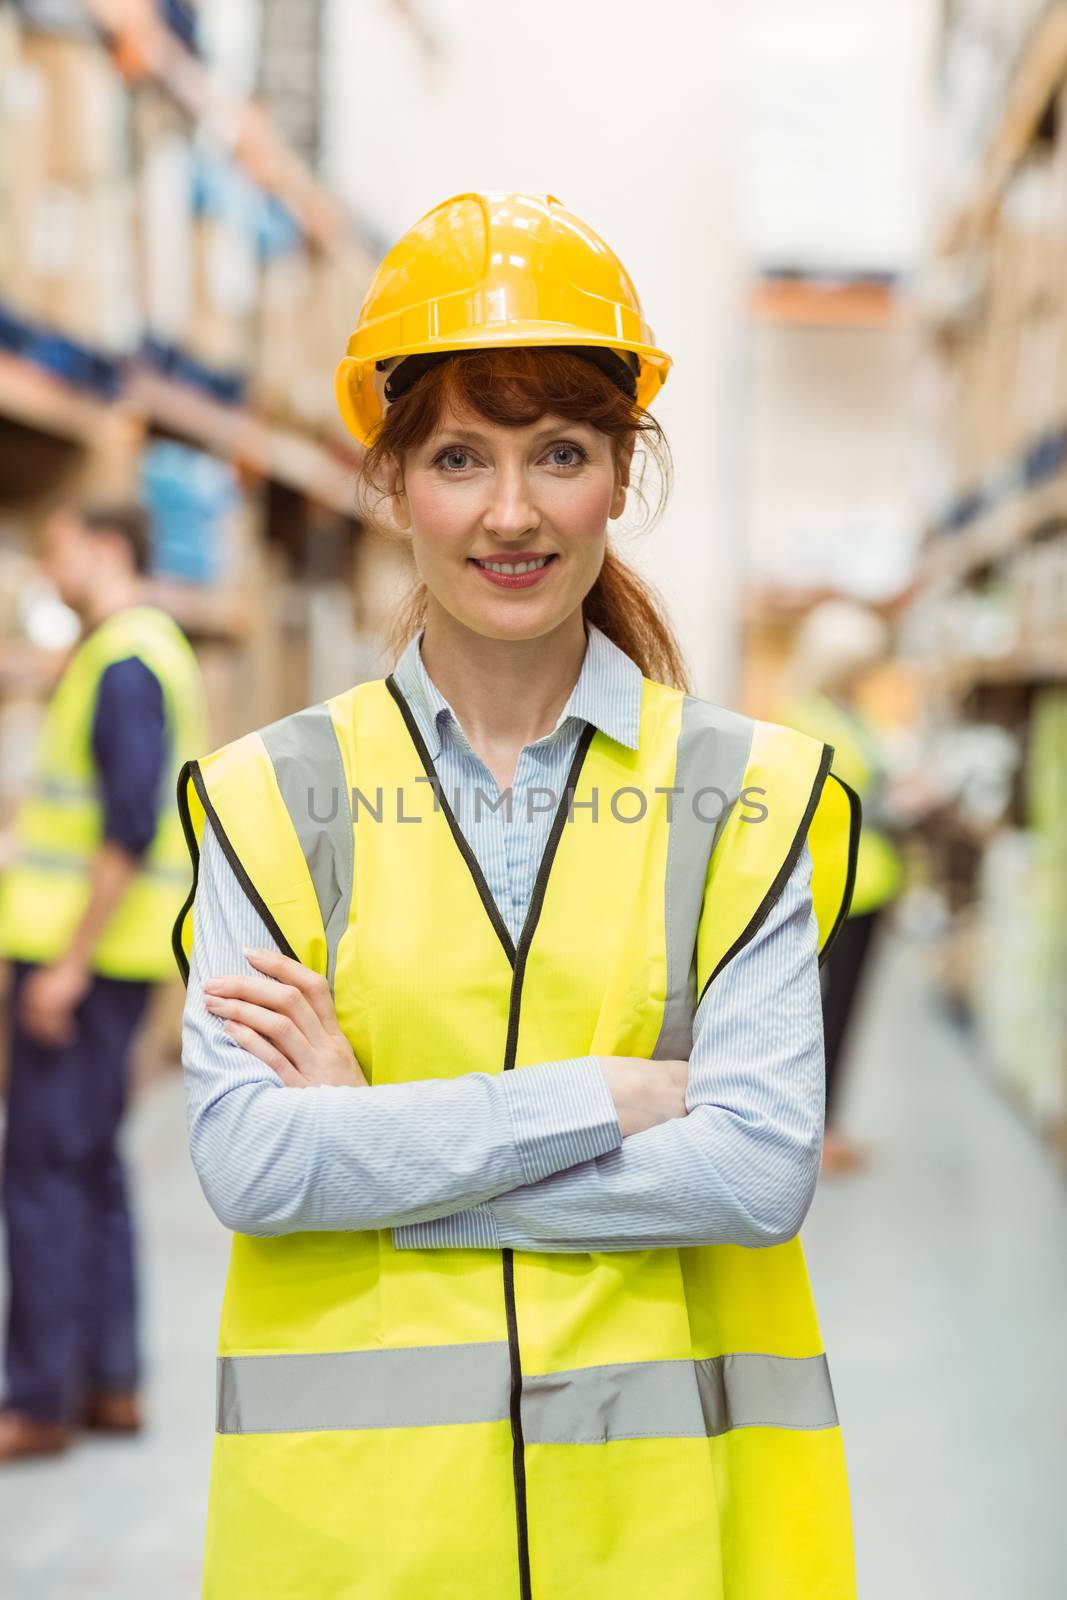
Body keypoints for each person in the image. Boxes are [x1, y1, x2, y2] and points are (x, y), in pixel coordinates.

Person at [174, 192, 861, 1598]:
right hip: (362, 1545)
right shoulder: (271, 800)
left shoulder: (744, 796)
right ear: (391, 482)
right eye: (455, 457)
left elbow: (749, 1171)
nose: (508, 511)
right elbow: (249, 1164)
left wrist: (369, 1150)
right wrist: (606, 1097)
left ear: (620, 473)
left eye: (559, 452)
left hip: (656, 1537)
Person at [0, 501, 208, 1461]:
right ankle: (109, 1382)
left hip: (82, 962)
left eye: (58, 547)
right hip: (115, 959)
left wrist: (68, 963)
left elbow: (126, 822)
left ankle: (40, 1398)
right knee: (91, 1166)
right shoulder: (145, 651)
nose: (49, 567)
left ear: (106, 547)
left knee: (42, 1172)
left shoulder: (125, 659)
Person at [778, 598, 906, 1176]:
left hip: (871, 879)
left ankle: (828, 1126)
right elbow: (832, 801)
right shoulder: (803, 716)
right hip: (837, 882)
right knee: (820, 1012)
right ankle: (813, 1133)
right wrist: (893, 802)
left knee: (844, 1009)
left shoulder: (845, 711)